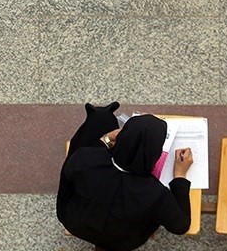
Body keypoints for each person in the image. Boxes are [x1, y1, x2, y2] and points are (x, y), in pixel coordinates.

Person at [57, 102, 194, 251]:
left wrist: (106, 140)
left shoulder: (85, 158)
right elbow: (181, 226)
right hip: (121, 241)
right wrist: (180, 175)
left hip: (74, 221)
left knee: (100, 119)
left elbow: (67, 178)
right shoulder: (154, 194)